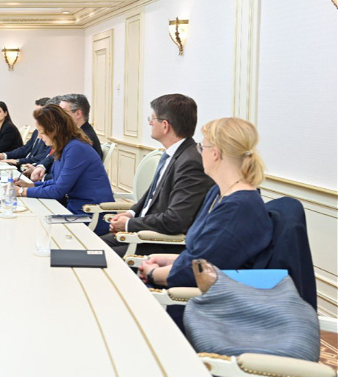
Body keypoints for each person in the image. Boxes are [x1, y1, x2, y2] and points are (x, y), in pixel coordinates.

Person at [138, 117, 272, 288]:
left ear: (215, 153)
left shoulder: (238, 207)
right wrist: (167, 259)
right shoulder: (218, 192)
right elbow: (203, 256)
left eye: (202, 147)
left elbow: (198, 271)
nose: (199, 153)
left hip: (204, 297)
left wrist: (152, 274)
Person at [103, 94, 213, 256]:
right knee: (89, 246)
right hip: (144, 233)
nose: (150, 122)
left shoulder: (190, 162)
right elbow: (152, 195)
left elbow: (176, 220)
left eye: (152, 118)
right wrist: (131, 213)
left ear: (165, 125)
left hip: (160, 242)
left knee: (97, 256)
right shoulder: (174, 155)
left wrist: (129, 224)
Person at [15, 104, 114, 234]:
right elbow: (58, 181)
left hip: (90, 214)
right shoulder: (65, 146)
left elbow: (58, 190)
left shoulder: (75, 148)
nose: (39, 136)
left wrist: (22, 191)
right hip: (76, 209)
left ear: (54, 130)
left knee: (33, 227)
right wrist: (31, 185)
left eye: (42, 132)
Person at [25, 93, 102, 182]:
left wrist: (41, 177)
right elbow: (56, 154)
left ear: (78, 113)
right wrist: (41, 167)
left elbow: (67, 178)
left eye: (63, 111)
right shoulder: (74, 134)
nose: (59, 116)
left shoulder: (84, 140)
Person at [0, 97, 51, 167]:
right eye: (35, 112)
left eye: (39, 112)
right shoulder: (36, 132)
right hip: (25, 165)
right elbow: (25, 148)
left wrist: (18, 161)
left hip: (33, 167)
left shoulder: (51, 135)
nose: (36, 116)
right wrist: (4, 155)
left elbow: (43, 157)